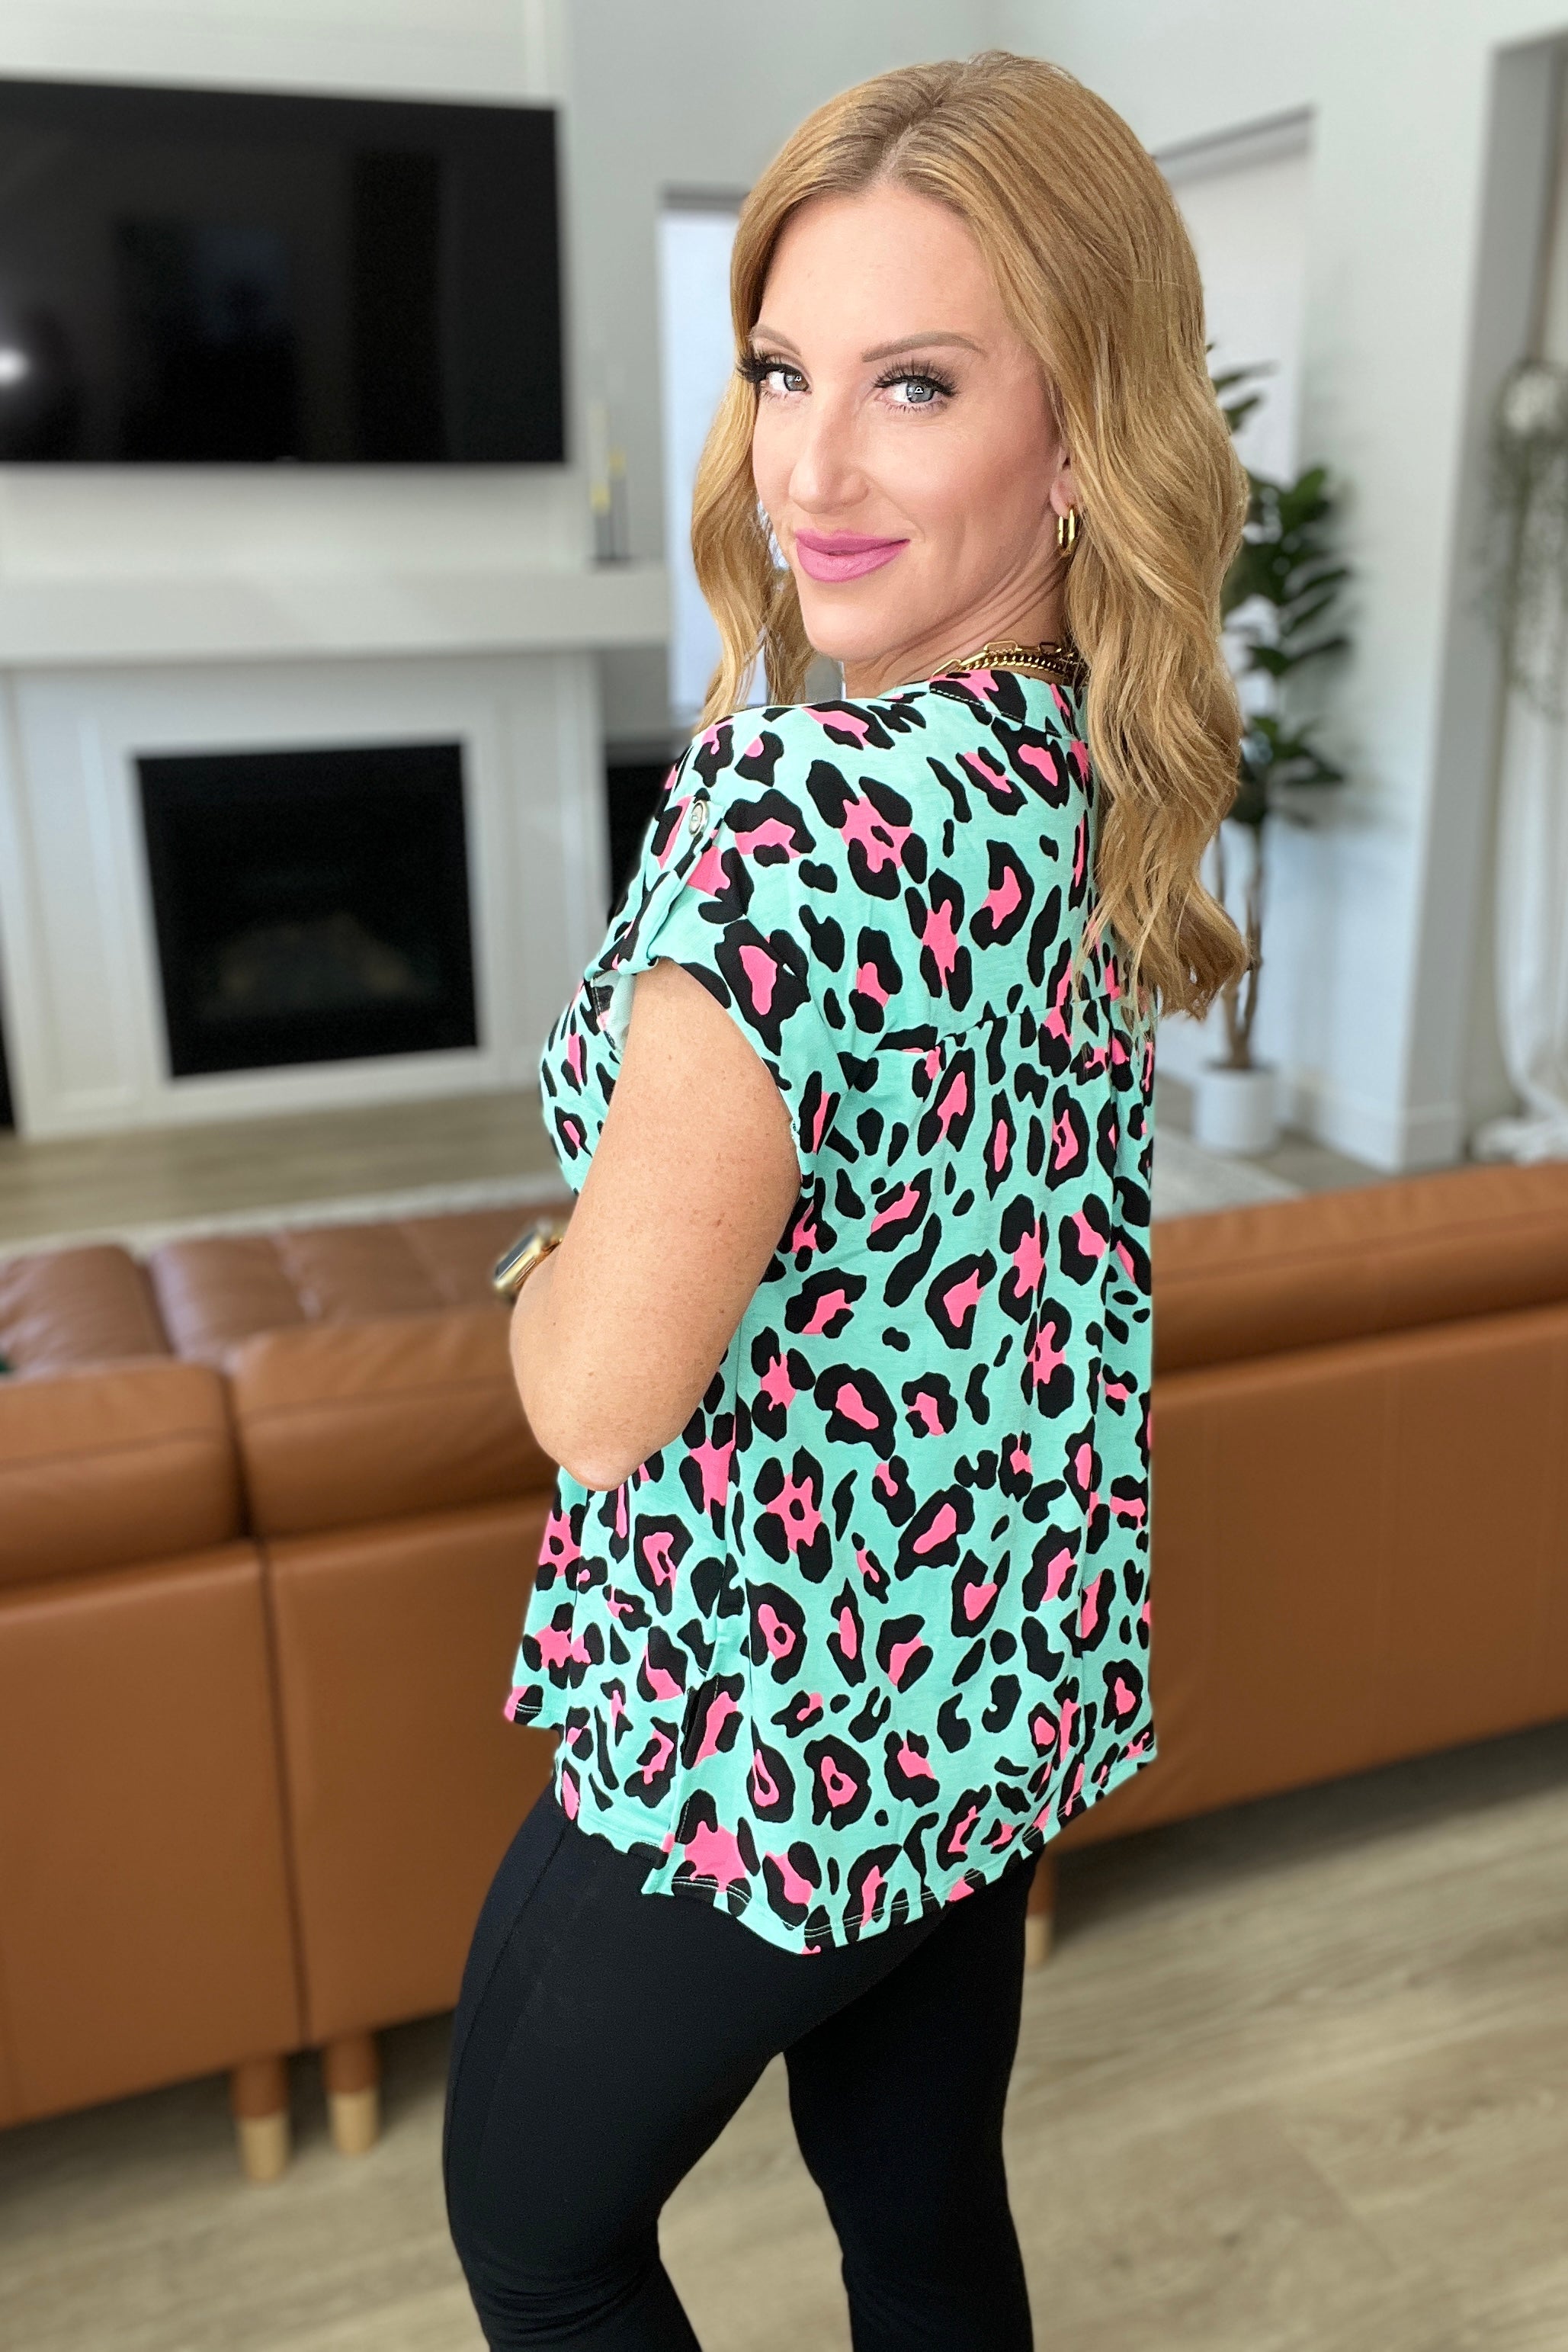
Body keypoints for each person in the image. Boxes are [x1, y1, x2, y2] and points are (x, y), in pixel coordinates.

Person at [444, 49, 1247, 2352]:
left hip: (759, 1734)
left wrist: (547, 1252)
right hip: (979, 1696)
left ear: (1081, 435)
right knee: (920, 2229)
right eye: (784, 370)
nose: (807, 467)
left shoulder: (797, 813)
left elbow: (598, 1398)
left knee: (538, 2245)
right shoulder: (1080, 769)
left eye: (914, 383)